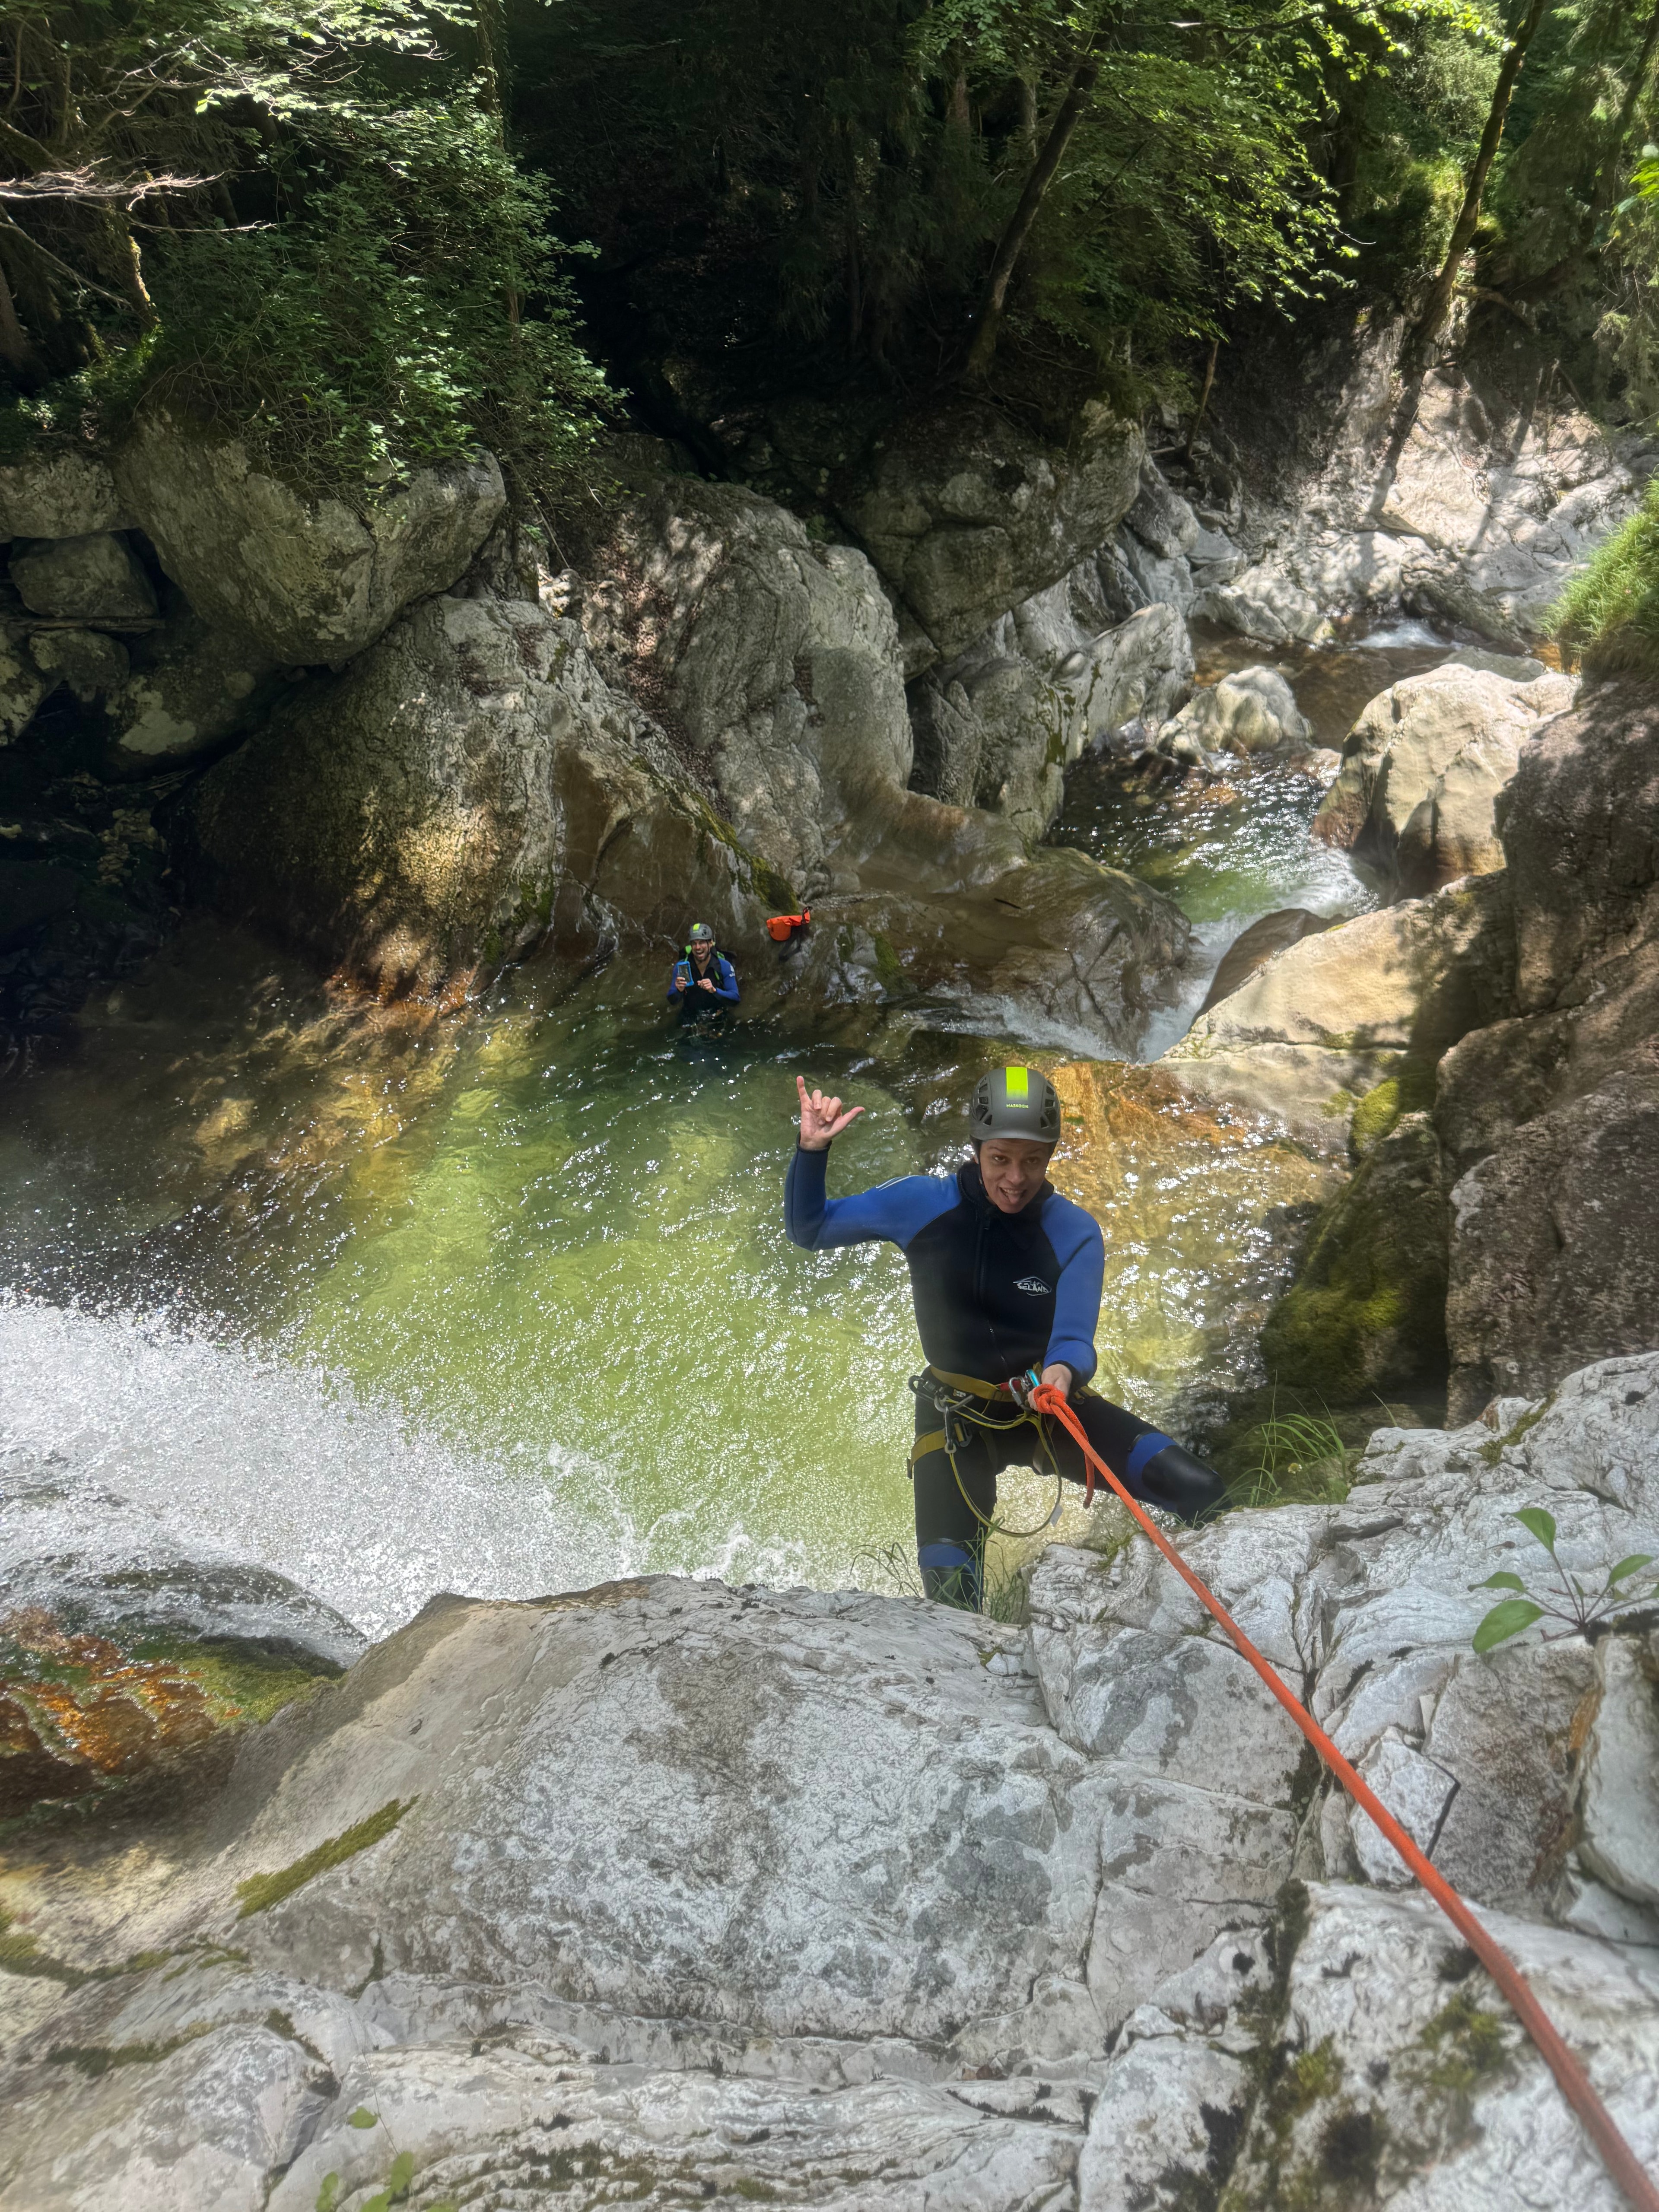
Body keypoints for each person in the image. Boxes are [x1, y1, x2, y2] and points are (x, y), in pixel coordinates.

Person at [785, 1064, 1230, 1608]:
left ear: (1050, 1156)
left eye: (1033, 1161)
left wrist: (1060, 1377)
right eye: (1000, 1159)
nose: (1015, 1178)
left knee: (1201, 1489)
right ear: (976, 1149)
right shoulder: (921, 1204)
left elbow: (1073, 1338)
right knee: (952, 1597)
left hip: (1046, 1405)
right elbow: (810, 1229)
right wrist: (812, 1152)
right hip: (955, 1421)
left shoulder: (1073, 1231)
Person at [668, 923, 739, 1020]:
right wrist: (679, 991)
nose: (698, 947)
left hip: (717, 1015)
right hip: (690, 1015)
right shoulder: (682, 967)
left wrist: (714, 991)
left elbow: (735, 999)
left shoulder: (723, 966)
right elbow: (672, 1001)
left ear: (710, 944)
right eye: (694, 943)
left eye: (702, 942)